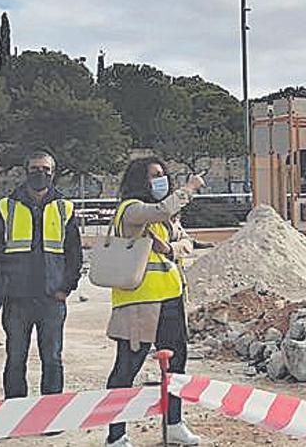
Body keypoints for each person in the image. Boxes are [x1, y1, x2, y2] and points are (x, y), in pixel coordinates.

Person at [104, 157, 205, 447]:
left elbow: (187, 244)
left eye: (162, 175)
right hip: (139, 303)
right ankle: (116, 435)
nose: (160, 181)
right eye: (154, 176)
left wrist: (170, 248)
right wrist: (190, 188)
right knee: (127, 368)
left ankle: (174, 423)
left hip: (171, 299)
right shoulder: (132, 210)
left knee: (176, 366)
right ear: (139, 181)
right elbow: (161, 209)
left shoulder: (165, 219)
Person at [0, 150, 83, 400]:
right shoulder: (6, 207)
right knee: (15, 358)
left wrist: (66, 288)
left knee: (53, 359)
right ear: (26, 171)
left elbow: (74, 255)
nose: (41, 174)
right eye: (36, 169)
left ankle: (50, 413)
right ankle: (15, 413)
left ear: (53, 173)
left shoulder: (65, 208)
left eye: (46, 170)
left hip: (51, 298)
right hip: (16, 298)